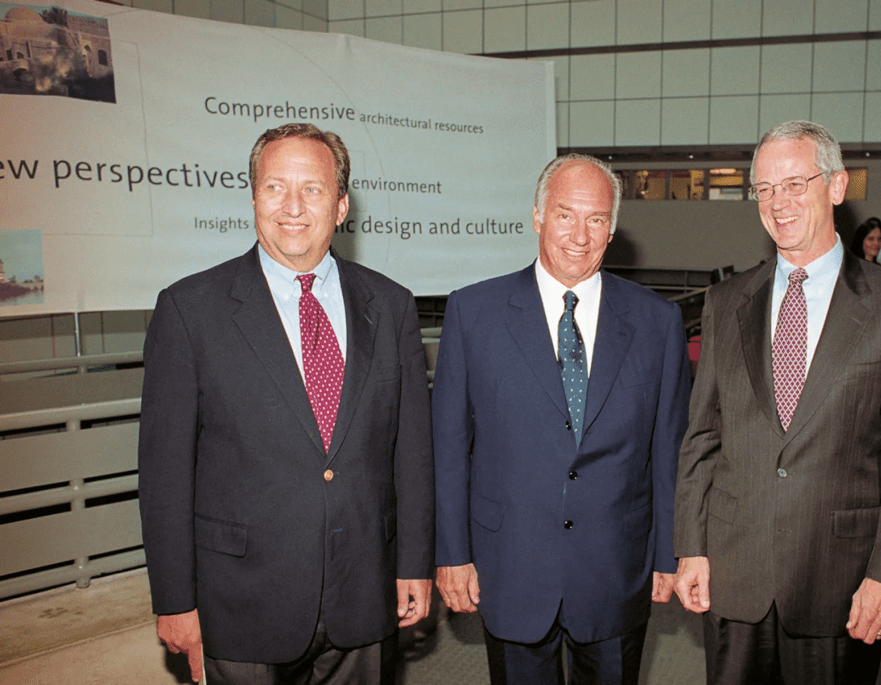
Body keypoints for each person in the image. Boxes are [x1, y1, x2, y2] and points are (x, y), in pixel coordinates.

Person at [138, 123, 435, 685]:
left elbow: (411, 452)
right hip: (239, 603)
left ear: (342, 205)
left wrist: (414, 562)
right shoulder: (189, 311)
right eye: (275, 187)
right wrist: (174, 599)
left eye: (313, 189)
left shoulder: (391, 306)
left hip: (362, 590)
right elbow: (163, 474)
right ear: (253, 197)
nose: (292, 206)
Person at [673, 121, 881, 685]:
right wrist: (690, 547)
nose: (778, 202)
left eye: (795, 183)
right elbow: (703, 434)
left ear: (837, 186)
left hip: (839, 582)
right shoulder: (726, 302)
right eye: (764, 188)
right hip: (734, 572)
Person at [432, 153, 690, 685]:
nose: (579, 234)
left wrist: (669, 553)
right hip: (509, 567)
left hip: (617, 568)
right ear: (537, 216)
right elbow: (450, 447)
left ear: (613, 229)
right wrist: (453, 553)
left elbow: (669, 450)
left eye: (596, 219)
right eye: (565, 214)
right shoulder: (473, 312)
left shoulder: (657, 321)